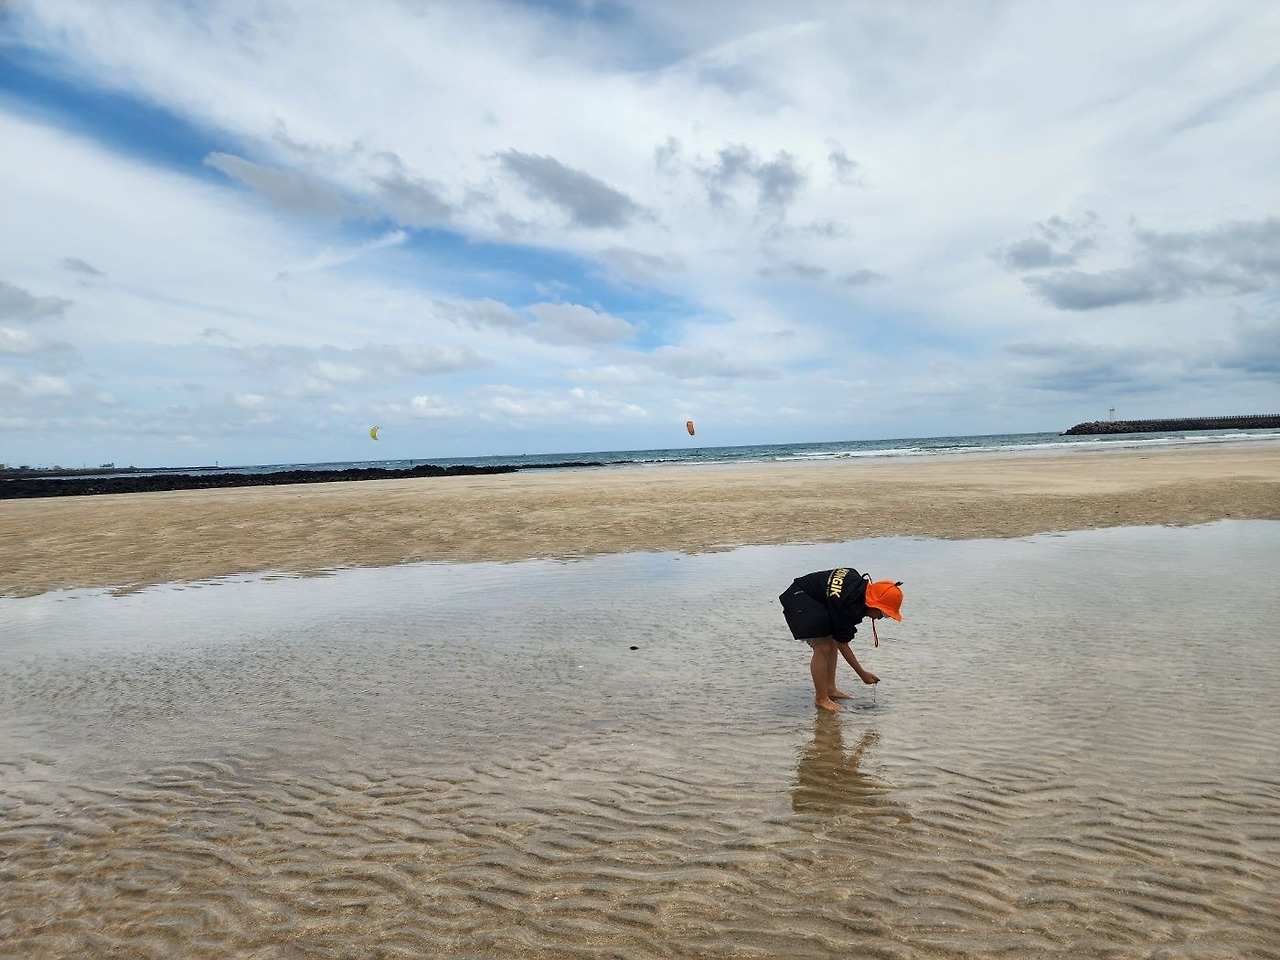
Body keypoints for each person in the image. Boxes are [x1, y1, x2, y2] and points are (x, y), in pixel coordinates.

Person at [779, 568, 903, 712]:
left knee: (831, 639)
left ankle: (830, 689)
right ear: (874, 605)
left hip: (815, 598)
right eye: (884, 614)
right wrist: (862, 673)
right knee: (823, 647)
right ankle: (821, 699)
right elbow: (843, 644)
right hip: (800, 597)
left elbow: (838, 638)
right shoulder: (849, 606)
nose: (881, 618)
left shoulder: (856, 587)